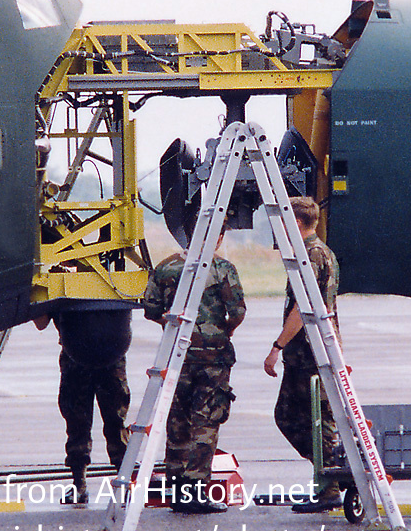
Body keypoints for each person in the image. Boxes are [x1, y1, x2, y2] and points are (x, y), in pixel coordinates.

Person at [143, 230, 245, 514]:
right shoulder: (222, 269)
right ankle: (196, 490)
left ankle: (177, 489)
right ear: (218, 237)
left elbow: (151, 309)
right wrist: (221, 331)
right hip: (212, 358)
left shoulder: (166, 267)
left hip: (177, 356)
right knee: (206, 422)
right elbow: (237, 311)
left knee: (177, 420)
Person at [263, 196, 342, 513]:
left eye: (283, 222)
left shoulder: (312, 255)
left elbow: (303, 308)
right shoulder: (317, 253)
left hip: (311, 355)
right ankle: (332, 478)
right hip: (308, 355)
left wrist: (276, 347)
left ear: (296, 224)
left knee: (314, 421)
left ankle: (331, 484)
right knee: (294, 417)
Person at [34, 311, 130, 504]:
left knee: (115, 421)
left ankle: (124, 480)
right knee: (77, 422)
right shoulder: (61, 279)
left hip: (109, 354)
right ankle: (79, 483)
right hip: (76, 354)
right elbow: (41, 321)